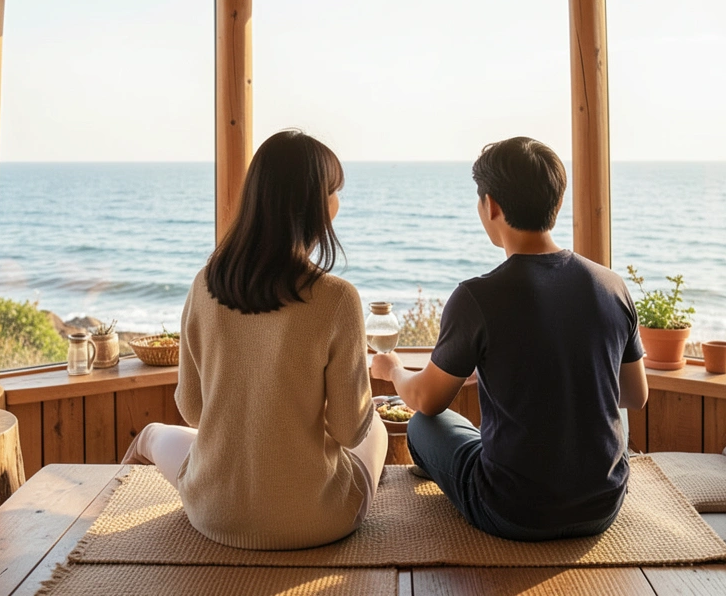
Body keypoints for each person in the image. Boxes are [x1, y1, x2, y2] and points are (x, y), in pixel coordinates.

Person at [370, 136, 649, 542]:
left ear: (491, 205)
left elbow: (426, 400)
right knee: (608, 417)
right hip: (602, 506)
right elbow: (635, 395)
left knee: (424, 425)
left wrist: (394, 369)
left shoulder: (477, 297)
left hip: (512, 511)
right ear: (558, 201)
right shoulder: (611, 285)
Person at [122, 130, 387, 550]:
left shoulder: (204, 284)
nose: (338, 201)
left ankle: (124, 479)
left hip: (212, 512)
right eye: (334, 191)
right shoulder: (336, 298)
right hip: (317, 520)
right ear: (317, 205)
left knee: (155, 434)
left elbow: (193, 411)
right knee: (377, 428)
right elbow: (349, 430)